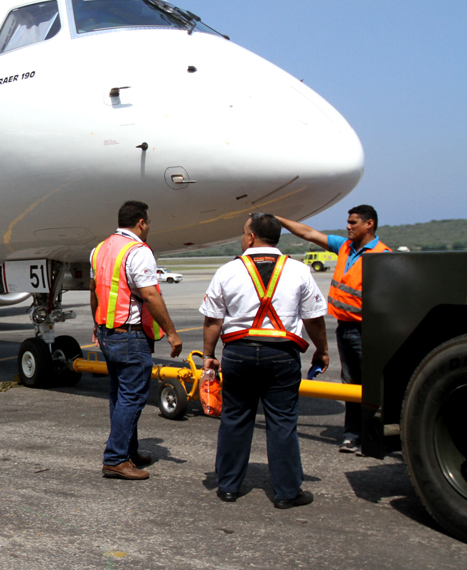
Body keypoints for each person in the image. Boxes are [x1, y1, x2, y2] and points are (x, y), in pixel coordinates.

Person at [201, 213, 329, 508]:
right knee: (282, 423)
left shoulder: (228, 271)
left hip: (239, 353)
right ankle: (286, 492)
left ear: (250, 237)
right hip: (281, 355)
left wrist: (208, 356)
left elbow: (212, 320)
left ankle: (229, 486)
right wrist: (322, 350)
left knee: (235, 419)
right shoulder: (298, 270)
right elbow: (314, 319)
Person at [276, 205, 390, 453]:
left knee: (370, 385)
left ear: (369, 224)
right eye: (348, 222)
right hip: (345, 328)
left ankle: (373, 437)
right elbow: (308, 233)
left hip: (368, 331)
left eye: (353, 222)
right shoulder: (344, 247)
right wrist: (278, 219)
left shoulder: (382, 255)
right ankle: (351, 436)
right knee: (349, 383)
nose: (348, 226)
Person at [90, 200, 183, 480]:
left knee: (119, 396)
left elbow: (94, 290)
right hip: (129, 334)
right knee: (132, 397)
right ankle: (116, 459)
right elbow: (151, 295)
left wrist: (96, 324)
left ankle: (128, 451)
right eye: (149, 223)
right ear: (141, 222)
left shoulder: (100, 248)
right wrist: (172, 332)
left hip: (108, 332)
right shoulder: (137, 251)